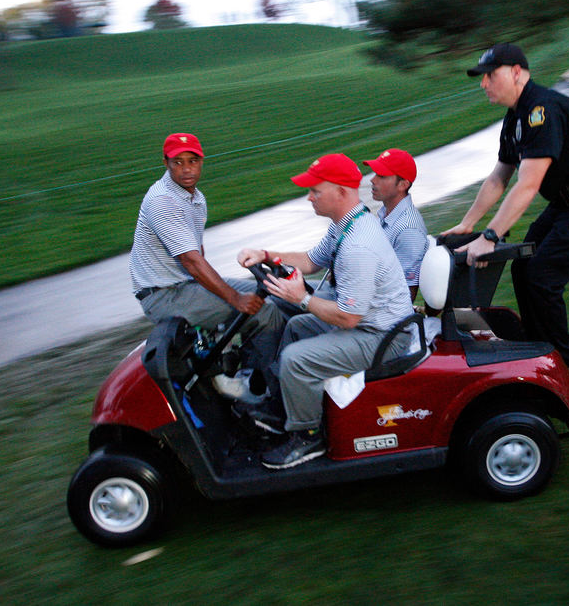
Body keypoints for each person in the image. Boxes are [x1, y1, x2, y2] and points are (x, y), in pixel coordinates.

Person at [443, 43, 569, 380]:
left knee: (543, 278)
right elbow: (500, 177)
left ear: (516, 72)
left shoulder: (541, 110)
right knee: (523, 267)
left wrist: (490, 236)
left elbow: (527, 186)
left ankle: (565, 362)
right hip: (567, 204)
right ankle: (536, 348)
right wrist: (467, 223)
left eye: (490, 75)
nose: (484, 83)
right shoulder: (515, 117)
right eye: (481, 77)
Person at [237, 154, 414, 470]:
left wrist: (301, 297)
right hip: (370, 326)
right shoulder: (347, 225)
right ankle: (287, 410)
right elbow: (310, 260)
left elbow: (348, 318)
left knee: (296, 358)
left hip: (383, 338)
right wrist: (265, 254)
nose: (308, 197)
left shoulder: (358, 244)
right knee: (296, 328)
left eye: (315, 191)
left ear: (342, 193)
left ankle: (307, 435)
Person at [129, 132, 286, 393]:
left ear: (202, 161)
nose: (186, 169)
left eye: (192, 160)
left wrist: (226, 293)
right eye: (177, 162)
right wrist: (234, 299)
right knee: (264, 312)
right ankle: (269, 392)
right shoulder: (163, 202)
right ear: (165, 163)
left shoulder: (194, 197)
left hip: (185, 285)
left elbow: (197, 254)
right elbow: (191, 261)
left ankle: (248, 369)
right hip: (164, 295)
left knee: (275, 293)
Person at [362, 148, 430, 301]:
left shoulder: (408, 230)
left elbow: (405, 295)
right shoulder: (386, 213)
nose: (373, 180)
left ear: (403, 185)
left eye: (382, 176)